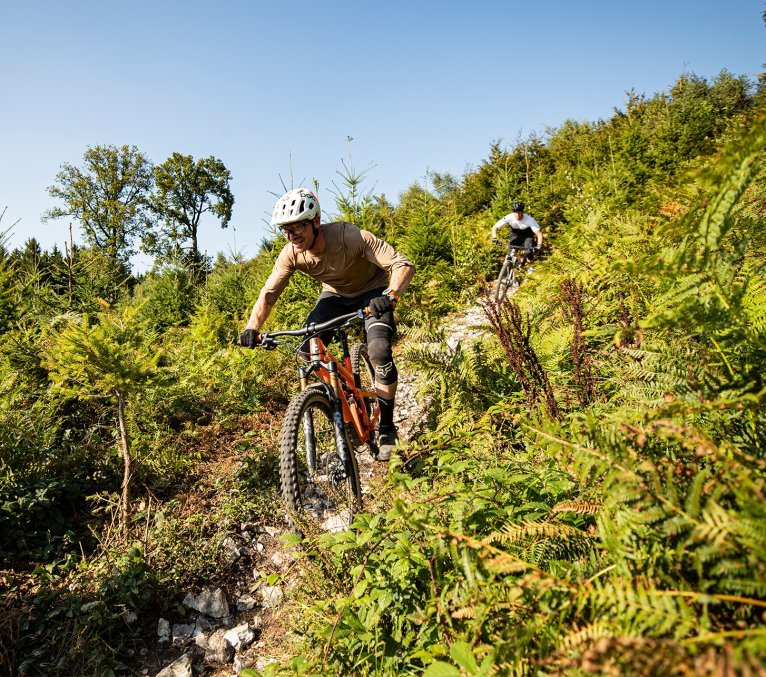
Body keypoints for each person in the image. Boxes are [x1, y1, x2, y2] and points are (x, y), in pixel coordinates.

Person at [240, 187, 416, 462]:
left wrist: (390, 295)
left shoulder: (349, 236)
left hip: (373, 293)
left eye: (297, 228)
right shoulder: (292, 253)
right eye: (285, 230)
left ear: (316, 222)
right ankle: (343, 402)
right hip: (334, 297)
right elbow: (269, 293)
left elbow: (401, 263)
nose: (291, 236)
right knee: (307, 349)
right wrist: (252, 328)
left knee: (380, 352)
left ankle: (387, 427)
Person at [490, 201, 543, 268]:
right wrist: (494, 238)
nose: (517, 214)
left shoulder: (529, 220)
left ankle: (529, 262)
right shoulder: (509, 217)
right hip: (516, 234)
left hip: (527, 235)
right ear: (513, 212)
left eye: (519, 212)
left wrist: (539, 245)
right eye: (515, 212)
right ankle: (519, 261)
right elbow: (495, 227)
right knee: (510, 253)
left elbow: (539, 233)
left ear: (522, 212)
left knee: (528, 253)